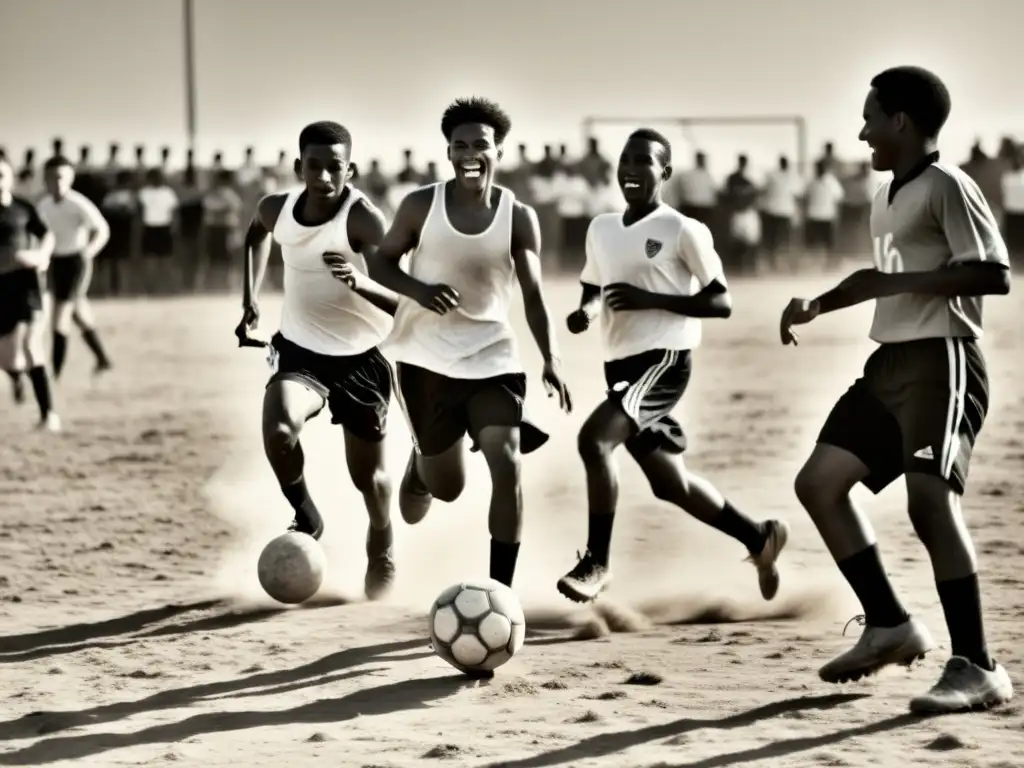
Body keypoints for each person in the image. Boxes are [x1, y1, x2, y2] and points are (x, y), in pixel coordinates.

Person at [780, 66, 1013, 713]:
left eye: (870, 118)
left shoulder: (948, 185)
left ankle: (979, 666)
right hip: (889, 366)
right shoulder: (887, 196)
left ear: (901, 122)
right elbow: (883, 274)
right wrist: (819, 303)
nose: (862, 132)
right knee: (819, 484)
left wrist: (894, 286)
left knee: (928, 503)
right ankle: (889, 625)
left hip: (943, 361)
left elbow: (993, 274)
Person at [555, 129, 789, 604]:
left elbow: (721, 301)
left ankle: (597, 563)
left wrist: (651, 299)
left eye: (644, 161)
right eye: (625, 160)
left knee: (593, 441)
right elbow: (595, 286)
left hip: (663, 362)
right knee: (670, 484)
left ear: (665, 172)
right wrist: (587, 312)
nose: (631, 169)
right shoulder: (600, 227)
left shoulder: (683, 229)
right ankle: (759, 537)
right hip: (619, 367)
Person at [369, 97, 572, 590]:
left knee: (508, 463)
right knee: (449, 488)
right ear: (449, 153)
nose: (469, 154)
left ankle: (501, 593)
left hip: (492, 357)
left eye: (480, 144)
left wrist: (551, 358)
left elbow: (533, 293)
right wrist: (420, 292)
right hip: (423, 360)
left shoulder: (519, 216)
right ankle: (422, 468)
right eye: (459, 145)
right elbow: (380, 263)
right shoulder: (421, 205)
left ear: (498, 151)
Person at [237, 121, 399, 601]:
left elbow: (402, 297)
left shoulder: (364, 219)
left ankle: (382, 544)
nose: (325, 177)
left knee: (367, 478)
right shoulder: (276, 209)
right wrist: (250, 300)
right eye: (315, 166)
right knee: (279, 430)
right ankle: (306, 512)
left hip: (362, 359)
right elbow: (254, 236)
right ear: (297, 167)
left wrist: (360, 282)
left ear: (350, 169)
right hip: (300, 349)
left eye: (336, 168)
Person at [37, 156, 113, 379]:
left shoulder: (77, 203)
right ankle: (103, 359)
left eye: (61, 177)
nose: (57, 182)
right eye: (52, 177)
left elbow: (102, 229)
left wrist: (88, 253)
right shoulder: (44, 206)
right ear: (45, 179)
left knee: (59, 315)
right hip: (56, 263)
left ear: (70, 178)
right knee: (79, 314)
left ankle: (55, 374)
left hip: (76, 263)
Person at [0, 158, 59, 430]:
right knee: (8, 359)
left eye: (1, 174)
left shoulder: (23, 208)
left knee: (32, 345)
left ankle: (49, 416)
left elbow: (47, 235)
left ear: (10, 177)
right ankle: (16, 377)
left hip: (26, 284)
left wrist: (40, 255)